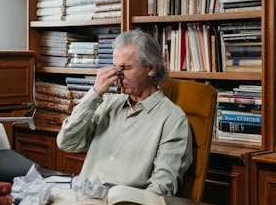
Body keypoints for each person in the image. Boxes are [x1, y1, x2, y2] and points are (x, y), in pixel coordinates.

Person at [56, 30, 192, 196]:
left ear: (150, 68)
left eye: (126, 68)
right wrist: (94, 94)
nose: (117, 75)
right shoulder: (107, 103)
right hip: (82, 198)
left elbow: (162, 186)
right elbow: (66, 143)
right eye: (115, 67)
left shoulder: (173, 119)